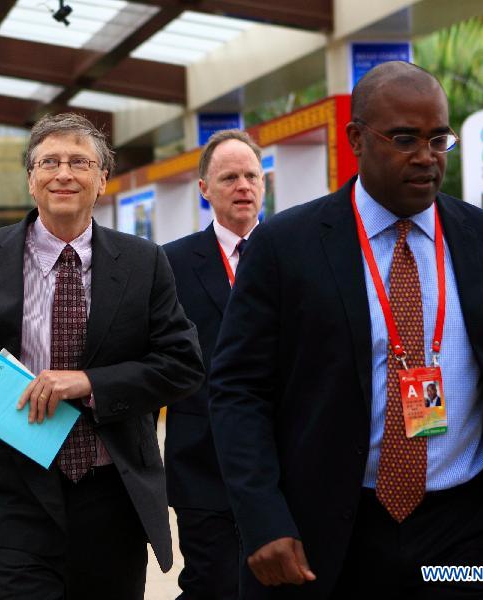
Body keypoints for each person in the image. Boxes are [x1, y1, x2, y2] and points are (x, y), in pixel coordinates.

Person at [208, 61, 483, 599]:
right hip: (337, 526)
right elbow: (238, 390)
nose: (426, 157)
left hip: (467, 532)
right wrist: (263, 515)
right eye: (404, 139)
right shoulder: (287, 246)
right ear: (357, 138)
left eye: (438, 139)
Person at [0, 112, 204, 599]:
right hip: (11, 493)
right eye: (50, 161)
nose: (64, 173)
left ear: (102, 178)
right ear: (31, 179)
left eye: (80, 162)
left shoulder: (144, 262)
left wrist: (88, 383)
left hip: (110, 495)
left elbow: (182, 365)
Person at [162, 129, 264, 600]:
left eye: (250, 175)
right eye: (229, 178)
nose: (243, 186)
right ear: (204, 188)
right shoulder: (172, 263)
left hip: (282, 456)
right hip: (202, 461)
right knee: (213, 583)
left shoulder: (291, 251)